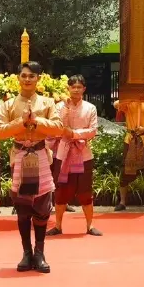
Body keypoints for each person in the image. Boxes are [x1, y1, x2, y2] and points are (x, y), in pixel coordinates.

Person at [0, 61, 62, 273]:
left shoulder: (48, 103)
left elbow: (58, 128)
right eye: (24, 75)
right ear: (18, 78)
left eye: (32, 76)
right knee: (23, 208)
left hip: (41, 155)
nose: (27, 79)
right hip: (19, 157)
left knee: (42, 205)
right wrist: (21, 123)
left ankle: (40, 253)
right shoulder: (7, 105)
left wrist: (37, 121)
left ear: (38, 79)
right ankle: (26, 253)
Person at [49, 75, 101, 236]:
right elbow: (55, 128)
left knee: (86, 191)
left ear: (84, 89)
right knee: (60, 191)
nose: (76, 90)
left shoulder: (90, 108)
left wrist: (74, 134)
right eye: (73, 87)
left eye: (79, 87)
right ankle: (58, 226)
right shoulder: (59, 107)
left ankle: (90, 225)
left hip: (84, 154)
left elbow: (93, 131)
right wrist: (65, 110)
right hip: (63, 154)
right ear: (68, 88)